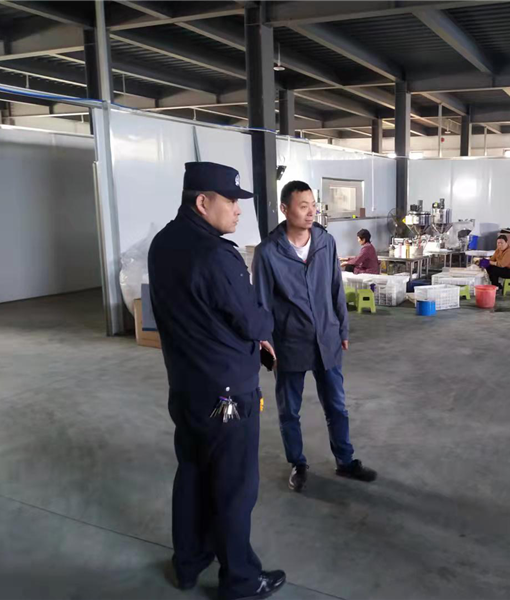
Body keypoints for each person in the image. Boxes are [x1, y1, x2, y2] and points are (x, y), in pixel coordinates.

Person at [148, 162, 286, 600]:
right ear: (203, 202)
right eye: (231, 201)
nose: (238, 210)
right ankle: (241, 581)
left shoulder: (163, 243)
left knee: (192, 473)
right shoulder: (217, 255)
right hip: (228, 393)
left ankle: (188, 563)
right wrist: (265, 325)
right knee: (234, 488)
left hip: (187, 386)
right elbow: (251, 320)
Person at [253, 180, 377, 493]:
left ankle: (345, 461)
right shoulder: (268, 252)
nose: (311, 212)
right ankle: (298, 463)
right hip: (289, 342)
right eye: (303, 206)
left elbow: (336, 288)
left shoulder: (325, 242)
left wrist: (342, 328)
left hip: (326, 337)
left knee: (336, 405)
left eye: (313, 205)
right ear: (285, 209)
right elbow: (262, 302)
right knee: (289, 410)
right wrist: (265, 346)